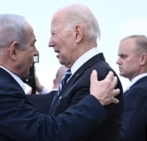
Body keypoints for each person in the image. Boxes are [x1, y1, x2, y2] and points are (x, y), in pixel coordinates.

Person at [0, 13, 120, 141]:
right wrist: (95, 102)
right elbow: (48, 134)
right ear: (14, 50)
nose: (37, 51)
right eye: (32, 45)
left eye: (54, 34)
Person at [48, 4, 123, 141]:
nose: (50, 42)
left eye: (54, 34)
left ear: (77, 33)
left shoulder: (99, 77)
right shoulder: (80, 75)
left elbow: (66, 133)